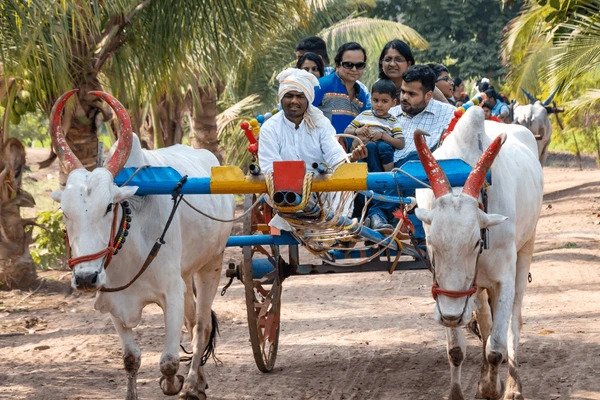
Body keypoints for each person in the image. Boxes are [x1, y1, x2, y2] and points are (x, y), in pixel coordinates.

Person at [258, 68, 366, 176]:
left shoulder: (320, 123)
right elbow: (269, 167)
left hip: (319, 189)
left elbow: (334, 155)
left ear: (308, 100)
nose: (294, 101)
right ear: (281, 98)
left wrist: (351, 158)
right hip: (281, 189)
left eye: (300, 96)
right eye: (289, 96)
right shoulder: (270, 127)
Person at [313, 42, 371, 148]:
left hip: (351, 156)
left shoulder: (361, 94)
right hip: (323, 151)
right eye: (348, 64)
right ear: (337, 65)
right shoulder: (322, 85)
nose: (354, 69)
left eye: (359, 65)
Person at [344, 79, 404, 172]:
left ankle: (390, 175)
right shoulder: (364, 115)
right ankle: (373, 176)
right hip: (365, 152)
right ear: (371, 99)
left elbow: (400, 144)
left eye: (384, 101)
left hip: (383, 156)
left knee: (383, 147)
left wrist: (383, 136)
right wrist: (357, 131)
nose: (379, 105)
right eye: (375, 100)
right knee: (369, 146)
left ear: (393, 103)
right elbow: (346, 131)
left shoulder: (393, 121)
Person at [378, 39, 449, 104]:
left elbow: (448, 110)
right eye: (388, 59)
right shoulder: (378, 87)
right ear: (381, 63)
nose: (392, 64)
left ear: (409, 64)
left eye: (398, 60)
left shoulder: (422, 84)